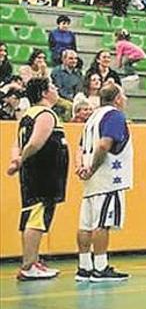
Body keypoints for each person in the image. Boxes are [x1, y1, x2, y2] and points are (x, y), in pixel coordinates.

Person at [6, 78, 69, 280]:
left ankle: (33, 260)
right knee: (37, 219)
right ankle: (28, 265)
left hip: (33, 176)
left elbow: (16, 143)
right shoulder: (46, 114)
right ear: (43, 93)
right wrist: (21, 160)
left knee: (31, 217)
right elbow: (34, 143)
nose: (56, 89)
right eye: (52, 87)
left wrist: (16, 161)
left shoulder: (27, 115)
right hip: (44, 175)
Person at [75, 83, 133, 282]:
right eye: (123, 96)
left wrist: (81, 167)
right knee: (102, 223)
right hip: (108, 177)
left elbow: (80, 147)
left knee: (86, 223)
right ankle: (100, 267)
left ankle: (84, 266)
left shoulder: (92, 117)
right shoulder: (114, 116)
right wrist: (92, 167)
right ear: (117, 98)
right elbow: (104, 144)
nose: (125, 99)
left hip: (91, 181)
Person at [50, 49, 81, 120]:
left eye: (75, 58)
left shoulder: (78, 73)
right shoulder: (56, 72)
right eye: (71, 58)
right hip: (59, 98)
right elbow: (59, 89)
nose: (74, 61)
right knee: (69, 106)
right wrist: (71, 99)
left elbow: (79, 88)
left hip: (74, 98)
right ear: (63, 59)